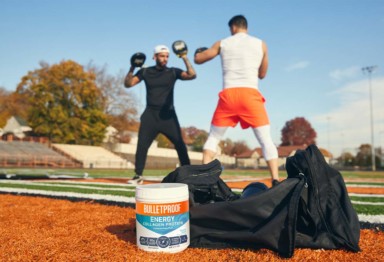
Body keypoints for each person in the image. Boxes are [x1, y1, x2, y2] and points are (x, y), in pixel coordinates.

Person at [194, 15, 279, 186]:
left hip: (229, 95)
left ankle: (204, 180)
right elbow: (262, 74)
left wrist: (198, 53)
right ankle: (276, 180)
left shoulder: (223, 42)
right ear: (245, 26)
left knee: (214, 137)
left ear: (233, 27)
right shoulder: (261, 44)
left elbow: (199, 59)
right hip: (250, 95)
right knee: (265, 140)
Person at [124, 43, 196, 184]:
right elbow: (128, 84)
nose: (165, 59)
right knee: (142, 145)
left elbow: (192, 75)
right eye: (162, 56)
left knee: (180, 145)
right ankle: (138, 176)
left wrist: (184, 57)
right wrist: (132, 67)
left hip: (168, 115)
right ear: (154, 56)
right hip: (150, 115)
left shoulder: (173, 72)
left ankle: (189, 175)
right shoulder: (145, 72)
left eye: (167, 56)